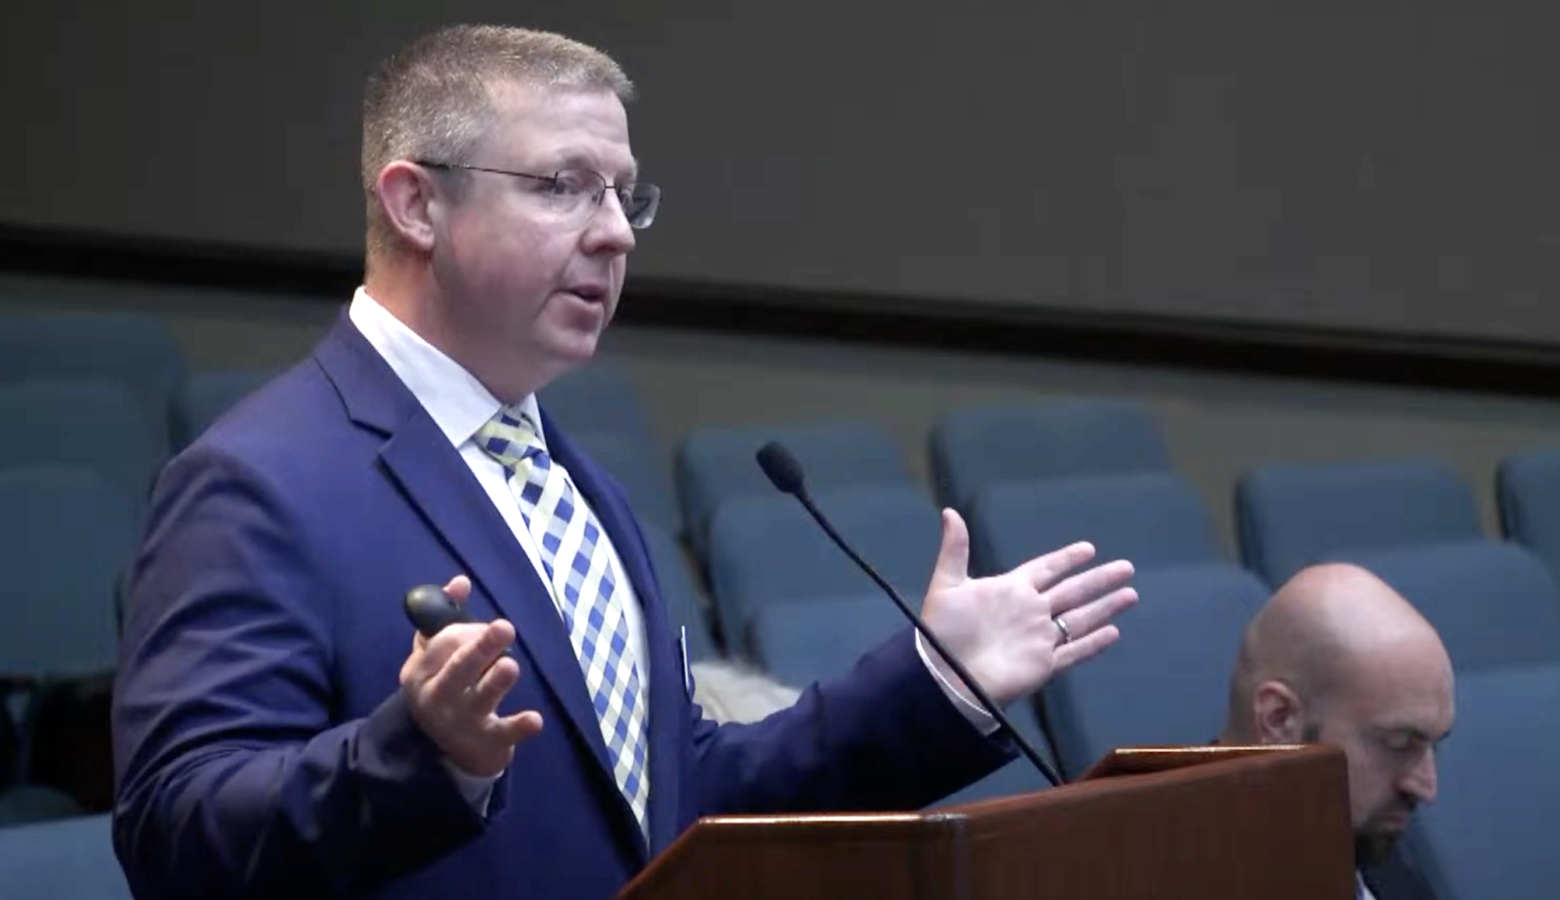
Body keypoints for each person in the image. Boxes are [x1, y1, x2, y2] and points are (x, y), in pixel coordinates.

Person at [111, 24, 1138, 900]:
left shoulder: (571, 483)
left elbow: (673, 792)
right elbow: (175, 834)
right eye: (563, 187)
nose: (614, 235)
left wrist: (932, 684)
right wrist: (416, 757)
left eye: (625, 197)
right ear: (416, 204)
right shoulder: (256, 481)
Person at [1219, 563, 1453, 900]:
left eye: (1435, 747)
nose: (1427, 788)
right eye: (1399, 744)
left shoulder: (1388, 867)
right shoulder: (1155, 876)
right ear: (1278, 719)